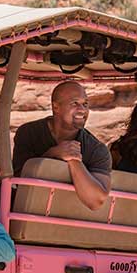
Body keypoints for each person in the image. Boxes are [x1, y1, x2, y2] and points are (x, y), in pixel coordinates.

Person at [13, 81, 111, 210]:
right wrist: (53, 154)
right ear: (56, 107)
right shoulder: (29, 133)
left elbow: (96, 201)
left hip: (71, 221)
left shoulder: (97, 150)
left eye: (85, 104)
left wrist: (73, 160)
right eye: (74, 103)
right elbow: (21, 182)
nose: (82, 110)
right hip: (28, 213)